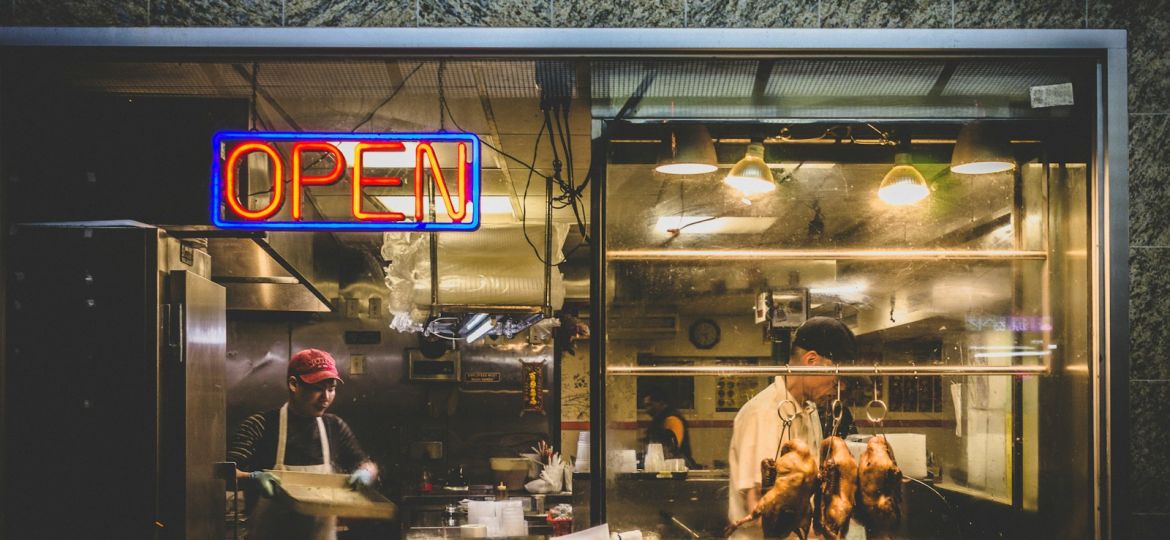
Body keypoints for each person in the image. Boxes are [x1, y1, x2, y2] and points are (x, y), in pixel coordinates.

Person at [727, 317, 859, 540]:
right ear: (811, 360)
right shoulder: (763, 413)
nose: (837, 386)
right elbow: (757, 505)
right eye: (835, 375)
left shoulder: (809, 411)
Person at [229, 348, 379, 540]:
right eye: (317, 388)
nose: (326, 397)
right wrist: (252, 477)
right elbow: (225, 472)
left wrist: (365, 473)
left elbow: (365, 462)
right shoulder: (261, 425)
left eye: (331, 389)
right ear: (293, 384)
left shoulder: (334, 426)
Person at [642, 389, 698, 469]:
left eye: (650, 405)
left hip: (677, 467)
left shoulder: (671, 419)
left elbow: (672, 449)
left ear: (660, 402)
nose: (647, 410)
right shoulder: (659, 420)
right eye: (645, 406)